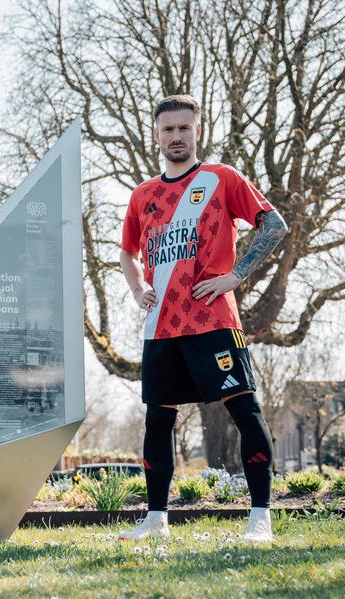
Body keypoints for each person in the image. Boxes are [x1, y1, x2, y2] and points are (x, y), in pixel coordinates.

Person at [117, 94, 288, 543]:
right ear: (156, 134)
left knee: (245, 412)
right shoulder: (142, 196)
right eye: (168, 129)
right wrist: (138, 288)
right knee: (158, 420)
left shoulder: (221, 178)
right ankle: (155, 520)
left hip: (213, 322)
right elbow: (126, 253)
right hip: (161, 327)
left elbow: (274, 225)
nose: (176, 136)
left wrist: (234, 276)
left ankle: (260, 520)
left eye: (184, 128)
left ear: (197, 130)